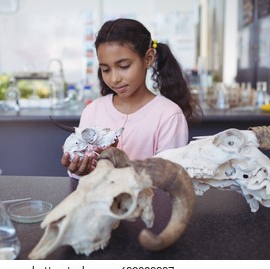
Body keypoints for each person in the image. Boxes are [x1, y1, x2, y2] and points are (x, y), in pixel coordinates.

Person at [62, 18, 201, 177]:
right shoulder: (92, 111)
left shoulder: (169, 116)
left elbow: (167, 181)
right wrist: (79, 171)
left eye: (124, 66)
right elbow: (82, 175)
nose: (114, 79)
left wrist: (118, 168)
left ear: (148, 58)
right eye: (106, 69)